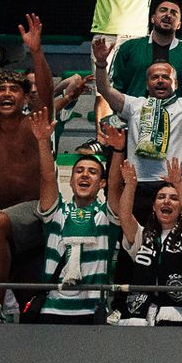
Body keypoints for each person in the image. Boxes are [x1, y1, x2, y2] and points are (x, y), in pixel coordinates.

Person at [0, 14, 60, 324]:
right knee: (29, 306)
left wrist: (36, 51)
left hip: (40, 212)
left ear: (23, 97)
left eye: (13, 89)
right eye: (0, 89)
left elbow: (46, 93)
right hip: (15, 226)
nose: (7, 93)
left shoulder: (35, 122)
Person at [91, 29, 182, 224]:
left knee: (171, 246)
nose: (160, 80)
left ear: (175, 83)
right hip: (138, 185)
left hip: (173, 185)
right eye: (155, 77)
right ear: (147, 83)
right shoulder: (134, 105)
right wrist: (101, 64)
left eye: (166, 77)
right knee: (135, 245)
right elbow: (105, 90)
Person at [36, 117, 115, 324]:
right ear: (70, 181)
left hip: (91, 312)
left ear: (102, 183)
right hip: (52, 310)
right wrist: (43, 142)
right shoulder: (56, 212)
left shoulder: (106, 216)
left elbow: (116, 188)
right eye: (79, 171)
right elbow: (46, 177)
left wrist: (118, 151)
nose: (85, 176)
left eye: (92, 172)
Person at [113, 157, 182, 326]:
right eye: (161, 197)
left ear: (180, 208)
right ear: (153, 206)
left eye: (174, 198)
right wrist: (130, 186)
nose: (167, 201)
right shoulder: (141, 235)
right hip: (138, 314)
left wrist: (179, 185)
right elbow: (124, 216)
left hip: (176, 314)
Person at [108, 0, 182, 99]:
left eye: (174, 13)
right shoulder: (128, 48)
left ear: (179, 25)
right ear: (152, 18)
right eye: (163, 10)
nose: (168, 15)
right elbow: (113, 88)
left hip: (178, 113)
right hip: (133, 112)